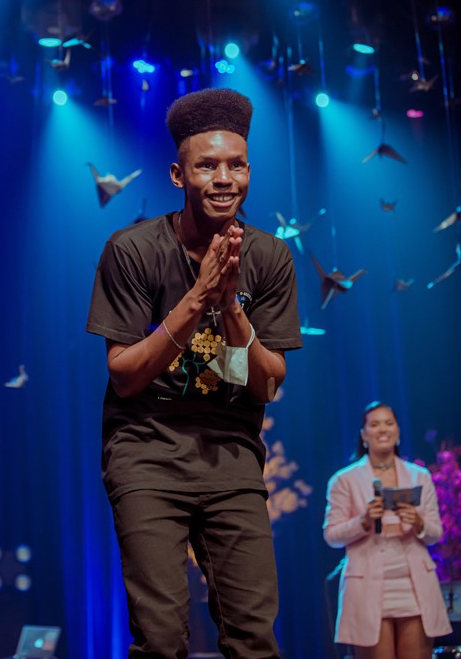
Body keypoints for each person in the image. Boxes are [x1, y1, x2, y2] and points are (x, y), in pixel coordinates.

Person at [86, 87, 303, 659]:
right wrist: (199, 297)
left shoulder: (270, 257)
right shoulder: (131, 250)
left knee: (253, 636)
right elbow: (126, 376)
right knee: (160, 638)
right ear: (179, 176)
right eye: (207, 165)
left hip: (230, 451)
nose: (224, 177)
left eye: (236, 165)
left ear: (250, 172)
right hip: (146, 449)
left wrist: (230, 306)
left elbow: (263, 384)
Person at [323, 400, 452, 659]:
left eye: (389, 423)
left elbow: (436, 532)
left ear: (398, 431)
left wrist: (419, 523)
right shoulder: (344, 479)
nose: (382, 429)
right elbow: (331, 535)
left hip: (413, 586)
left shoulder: (419, 476)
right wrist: (362, 521)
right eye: (374, 424)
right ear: (364, 435)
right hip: (368, 584)